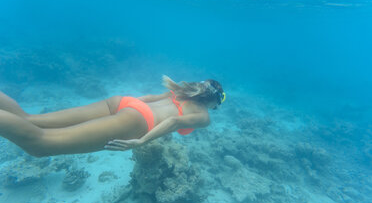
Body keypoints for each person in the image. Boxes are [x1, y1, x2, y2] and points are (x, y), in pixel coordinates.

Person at [0, 76, 225, 157]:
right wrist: (141, 141)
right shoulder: (204, 116)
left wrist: (129, 108)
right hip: (137, 120)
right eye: (218, 104)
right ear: (213, 101)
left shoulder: (180, 90)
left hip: (124, 102)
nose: (215, 109)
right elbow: (174, 121)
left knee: (29, 119)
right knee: (39, 144)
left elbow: (147, 97)